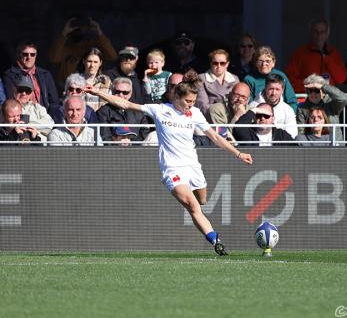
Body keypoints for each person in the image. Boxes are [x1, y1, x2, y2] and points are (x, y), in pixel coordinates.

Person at [84, 71, 253, 255]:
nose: (191, 105)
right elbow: (125, 103)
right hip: (172, 169)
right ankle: (216, 241)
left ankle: (207, 226)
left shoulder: (195, 113)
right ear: (176, 97)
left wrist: (238, 153)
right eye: (188, 101)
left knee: (202, 201)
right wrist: (98, 93)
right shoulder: (160, 110)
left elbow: (214, 137)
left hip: (193, 166)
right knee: (193, 206)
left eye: (193, 102)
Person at [49, 16, 117, 87]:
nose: (80, 29)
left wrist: (99, 32)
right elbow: (53, 59)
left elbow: (113, 56)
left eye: (83, 26)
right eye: (76, 26)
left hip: (91, 86)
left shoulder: (93, 48)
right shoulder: (65, 47)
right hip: (69, 88)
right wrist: (64, 33)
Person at [286, 19, 347, 93]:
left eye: (322, 32)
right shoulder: (300, 53)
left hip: (328, 98)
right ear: (311, 32)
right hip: (307, 98)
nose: (319, 35)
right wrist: (308, 84)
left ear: (327, 34)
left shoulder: (333, 53)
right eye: (316, 32)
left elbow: (341, 79)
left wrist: (328, 61)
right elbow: (289, 80)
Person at [3, 41, 59, 112]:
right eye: (25, 54)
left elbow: (54, 101)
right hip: (23, 115)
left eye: (32, 54)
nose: (29, 57)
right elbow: (10, 102)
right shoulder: (9, 75)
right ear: (19, 55)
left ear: (36, 55)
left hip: (45, 116)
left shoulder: (45, 74)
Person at [296, 73, 347, 142]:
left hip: (334, 144)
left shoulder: (331, 104)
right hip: (312, 146)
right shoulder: (302, 108)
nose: (313, 94)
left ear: (323, 91)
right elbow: (301, 132)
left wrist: (323, 86)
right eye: (310, 90)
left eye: (316, 90)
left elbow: (344, 98)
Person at [96, 77, 150, 143]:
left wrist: (131, 143)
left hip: (137, 151)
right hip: (112, 151)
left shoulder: (138, 110)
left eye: (125, 92)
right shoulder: (103, 111)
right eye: (117, 92)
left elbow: (145, 134)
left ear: (130, 93)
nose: (121, 95)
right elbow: (104, 136)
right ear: (112, 92)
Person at [244, 46, 298, 111]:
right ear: (256, 63)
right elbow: (249, 103)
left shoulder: (281, 76)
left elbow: (292, 101)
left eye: (268, 61)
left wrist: (289, 115)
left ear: (273, 63)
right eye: (260, 61)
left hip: (281, 114)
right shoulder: (249, 79)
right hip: (260, 114)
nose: (264, 64)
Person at [248, 73, 298, 138]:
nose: (273, 93)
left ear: (282, 91)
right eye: (271, 89)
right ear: (265, 88)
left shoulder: (288, 110)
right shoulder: (253, 106)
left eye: (277, 89)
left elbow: (292, 134)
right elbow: (247, 131)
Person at [196, 49, 239, 116]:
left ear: (227, 64)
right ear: (210, 64)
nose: (219, 66)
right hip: (211, 118)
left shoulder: (235, 79)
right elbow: (202, 106)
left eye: (222, 63)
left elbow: (239, 102)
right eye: (215, 63)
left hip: (232, 116)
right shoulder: (201, 79)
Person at [78, 47, 112, 111]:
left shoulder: (107, 81)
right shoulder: (75, 80)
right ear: (83, 61)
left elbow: (110, 102)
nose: (92, 65)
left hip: (102, 119)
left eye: (95, 62)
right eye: (89, 61)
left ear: (100, 63)